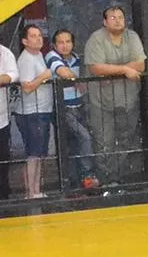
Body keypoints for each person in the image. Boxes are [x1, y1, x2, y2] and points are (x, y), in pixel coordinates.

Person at [83, 6, 147, 184]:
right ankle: (106, 180)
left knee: (127, 140)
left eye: (120, 17)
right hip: (101, 102)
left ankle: (121, 179)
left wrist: (112, 70)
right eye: (112, 17)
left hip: (129, 100)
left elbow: (141, 65)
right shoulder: (96, 38)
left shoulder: (132, 36)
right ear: (104, 21)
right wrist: (125, 69)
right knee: (104, 142)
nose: (118, 20)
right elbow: (96, 68)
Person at [45, 30, 99, 190]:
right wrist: (77, 82)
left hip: (79, 106)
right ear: (54, 45)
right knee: (84, 138)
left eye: (68, 41)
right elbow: (64, 73)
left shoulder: (76, 58)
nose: (65, 45)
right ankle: (86, 176)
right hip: (63, 108)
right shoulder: (51, 56)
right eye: (60, 42)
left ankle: (74, 182)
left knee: (74, 145)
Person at [13, 24, 53, 199]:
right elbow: (27, 87)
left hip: (42, 110)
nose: (38, 38)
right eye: (33, 36)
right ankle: (31, 191)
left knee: (39, 153)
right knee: (33, 153)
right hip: (31, 112)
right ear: (24, 41)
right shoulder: (26, 59)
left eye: (39, 35)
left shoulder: (39, 55)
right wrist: (43, 77)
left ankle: (36, 189)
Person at [0, 43, 16, 200]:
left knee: (3, 156)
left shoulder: (4, 53)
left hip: (1, 117)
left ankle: (3, 193)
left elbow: (13, 74)